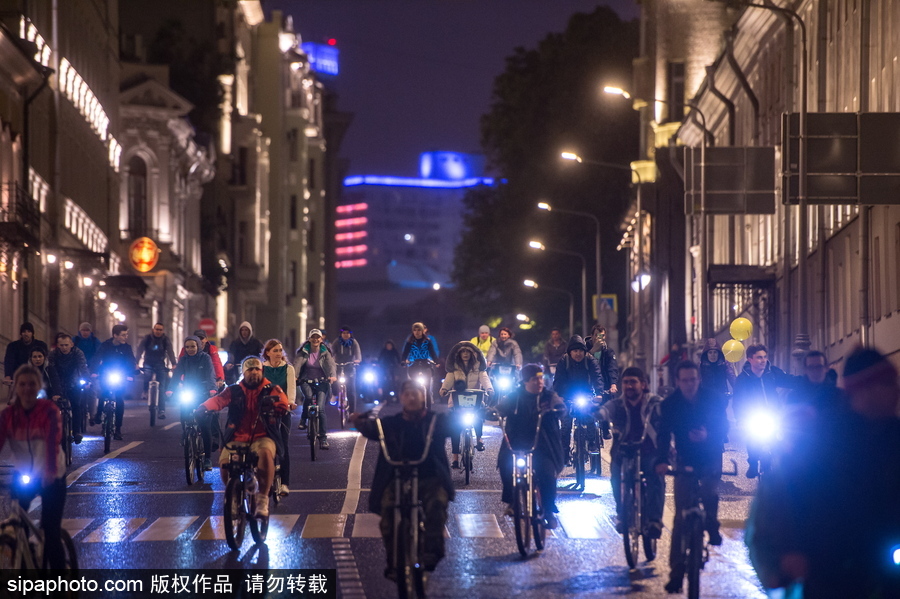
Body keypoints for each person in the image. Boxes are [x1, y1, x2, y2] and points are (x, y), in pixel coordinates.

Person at [747, 347, 900, 598]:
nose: (895, 391)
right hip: (829, 567)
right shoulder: (827, 442)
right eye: (886, 384)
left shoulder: (894, 439)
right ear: (863, 390)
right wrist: (780, 561)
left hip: (885, 558)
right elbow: (777, 499)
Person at [351, 380, 454, 576]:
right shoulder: (391, 424)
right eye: (407, 394)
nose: (412, 397)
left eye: (416, 393)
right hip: (396, 478)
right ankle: (393, 562)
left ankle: (432, 552)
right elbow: (373, 429)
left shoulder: (435, 421)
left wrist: (460, 418)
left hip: (430, 476)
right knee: (388, 515)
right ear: (401, 398)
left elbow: (453, 426)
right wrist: (358, 421)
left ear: (424, 396)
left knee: (436, 504)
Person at [655, 360, 729, 594]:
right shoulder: (670, 405)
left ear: (699, 379)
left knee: (709, 489)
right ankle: (676, 572)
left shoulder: (714, 399)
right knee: (680, 515)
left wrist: (708, 434)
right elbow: (663, 434)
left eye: (693, 379)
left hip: (710, 455)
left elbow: (724, 428)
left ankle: (712, 526)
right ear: (677, 382)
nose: (689, 384)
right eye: (684, 380)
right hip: (685, 459)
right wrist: (662, 461)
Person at [197, 357, 290, 518]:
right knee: (226, 464)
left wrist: (277, 407)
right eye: (250, 369)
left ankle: (262, 498)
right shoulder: (234, 390)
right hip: (236, 437)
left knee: (266, 455)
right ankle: (233, 495)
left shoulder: (271, 389)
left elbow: (283, 402)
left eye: (257, 369)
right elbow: (218, 400)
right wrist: (204, 407)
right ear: (244, 373)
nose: (254, 372)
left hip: (263, 436)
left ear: (261, 371)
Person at [0, 365, 67, 569]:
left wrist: (49, 471)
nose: (27, 389)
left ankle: (60, 584)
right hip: (24, 475)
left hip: (52, 473)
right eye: (22, 384)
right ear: (16, 388)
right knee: (14, 522)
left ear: (39, 386)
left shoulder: (49, 411)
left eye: (32, 384)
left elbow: (51, 443)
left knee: (51, 531)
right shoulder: (8, 415)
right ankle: (22, 558)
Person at [596, 366, 664, 538]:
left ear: (643, 384)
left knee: (655, 478)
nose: (629, 386)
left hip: (649, 451)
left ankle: (655, 520)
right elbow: (605, 410)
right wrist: (597, 413)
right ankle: (622, 514)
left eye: (633, 382)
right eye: (625, 382)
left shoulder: (654, 402)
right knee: (616, 479)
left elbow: (667, 411)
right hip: (623, 451)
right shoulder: (617, 404)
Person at [497, 364, 565, 529]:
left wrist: (559, 409)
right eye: (535, 379)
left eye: (541, 378)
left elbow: (560, 406)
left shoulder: (549, 396)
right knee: (505, 466)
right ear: (525, 381)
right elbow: (500, 408)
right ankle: (512, 502)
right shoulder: (514, 397)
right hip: (516, 443)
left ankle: (548, 510)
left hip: (543, 445)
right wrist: (492, 411)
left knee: (548, 474)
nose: (539, 382)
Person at [733, 344, 790, 478]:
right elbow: (738, 401)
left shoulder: (772, 373)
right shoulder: (742, 379)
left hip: (773, 414)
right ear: (750, 359)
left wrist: (807, 381)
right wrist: (740, 419)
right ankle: (752, 463)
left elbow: (790, 380)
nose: (763, 360)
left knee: (779, 441)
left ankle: (777, 469)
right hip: (753, 416)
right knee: (752, 440)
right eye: (759, 357)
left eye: (764, 357)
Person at [439, 341, 493, 468]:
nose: (465, 354)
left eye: (467, 352)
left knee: (479, 416)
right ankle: (455, 458)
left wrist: (489, 389)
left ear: (472, 354)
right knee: (455, 427)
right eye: (462, 352)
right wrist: (444, 389)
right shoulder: (454, 369)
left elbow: (485, 379)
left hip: (475, 401)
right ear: (458, 354)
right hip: (457, 403)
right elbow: (448, 380)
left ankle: (479, 440)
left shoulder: (479, 368)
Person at [552, 335, 604, 463]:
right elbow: (558, 379)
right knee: (566, 423)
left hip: (586, 393)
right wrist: (560, 395)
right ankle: (564, 452)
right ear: (570, 352)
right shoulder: (564, 361)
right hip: (568, 394)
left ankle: (592, 443)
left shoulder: (590, 360)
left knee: (590, 417)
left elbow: (597, 377)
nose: (578, 353)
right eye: (575, 351)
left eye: (580, 350)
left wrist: (599, 393)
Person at [171, 336, 217, 470]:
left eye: (193, 346)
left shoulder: (206, 358)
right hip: (188, 390)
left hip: (203, 393)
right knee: (184, 414)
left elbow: (210, 375)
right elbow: (176, 375)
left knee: (205, 425)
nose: (190, 349)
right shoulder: (183, 360)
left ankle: (207, 458)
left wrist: (212, 389)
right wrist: (170, 389)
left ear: (198, 346)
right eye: (187, 347)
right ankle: (185, 433)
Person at [90, 324, 137, 440]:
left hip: (121, 374)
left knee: (119, 399)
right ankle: (99, 414)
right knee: (103, 393)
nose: (125, 337)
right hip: (106, 373)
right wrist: (94, 371)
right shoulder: (105, 345)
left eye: (126, 335)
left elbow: (131, 361)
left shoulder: (127, 348)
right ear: (115, 335)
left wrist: (132, 372)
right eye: (123, 335)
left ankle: (118, 429)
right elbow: (97, 358)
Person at [262, 339, 296, 495]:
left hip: (283, 411)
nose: (278, 353)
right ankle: (266, 482)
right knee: (265, 448)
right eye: (275, 350)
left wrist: (290, 403)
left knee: (283, 446)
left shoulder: (288, 369)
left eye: (280, 350)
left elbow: (291, 388)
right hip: (265, 412)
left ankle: (285, 483)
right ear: (267, 353)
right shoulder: (261, 369)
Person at [295, 329, 335, 449]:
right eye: (313, 337)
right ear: (309, 339)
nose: (316, 339)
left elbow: (330, 364)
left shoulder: (325, 351)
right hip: (306, 380)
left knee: (321, 409)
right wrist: (296, 376)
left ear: (321, 339)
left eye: (318, 337)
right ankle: (303, 419)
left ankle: (323, 439)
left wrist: (332, 376)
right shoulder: (303, 351)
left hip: (322, 380)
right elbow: (297, 364)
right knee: (308, 397)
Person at [49, 333, 90, 443]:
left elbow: (83, 367)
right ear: (58, 345)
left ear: (71, 344)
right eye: (61, 345)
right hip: (58, 381)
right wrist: (56, 390)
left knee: (76, 405)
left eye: (66, 345)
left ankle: (76, 432)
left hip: (74, 381)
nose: (64, 348)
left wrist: (87, 380)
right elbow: (52, 372)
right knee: (55, 407)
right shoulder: (53, 355)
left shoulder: (78, 353)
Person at [135, 322, 178, 419]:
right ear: (153, 330)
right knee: (147, 375)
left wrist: (174, 364)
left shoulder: (165, 340)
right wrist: (136, 363)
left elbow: (170, 351)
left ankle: (161, 410)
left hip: (160, 364)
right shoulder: (147, 338)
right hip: (148, 363)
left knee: (162, 387)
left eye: (160, 330)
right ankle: (145, 391)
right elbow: (140, 349)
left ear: (163, 331)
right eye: (156, 329)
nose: (158, 331)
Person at [3, 322, 49, 387]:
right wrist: (8, 376)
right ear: (21, 334)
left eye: (29, 331)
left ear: (32, 333)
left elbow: (46, 363)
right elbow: (9, 361)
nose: (26, 334)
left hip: (37, 378)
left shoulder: (41, 345)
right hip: (19, 379)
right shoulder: (13, 346)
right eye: (24, 331)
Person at [332, 327, 362, 412]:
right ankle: (334, 394)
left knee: (351, 389)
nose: (345, 335)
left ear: (350, 334)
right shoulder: (337, 342)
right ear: (341, 334)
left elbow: (358, 353)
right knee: (333, 379)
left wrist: (357, 360)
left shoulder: (354, 342)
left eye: (347, 333)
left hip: (350, 366)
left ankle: (352, 411)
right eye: (344, 333)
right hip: (338, 365)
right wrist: (330, 359)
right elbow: (330, 352)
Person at [587, 325, 619, 397]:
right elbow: (581, 363)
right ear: (591, 336)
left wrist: (613, 385)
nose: (599, 338)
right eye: (596, 335)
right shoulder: (584, 349)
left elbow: (612, 368)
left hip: (603, 386)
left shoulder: (608, 352)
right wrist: (592, 351)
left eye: (602, 336)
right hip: (586, 386)